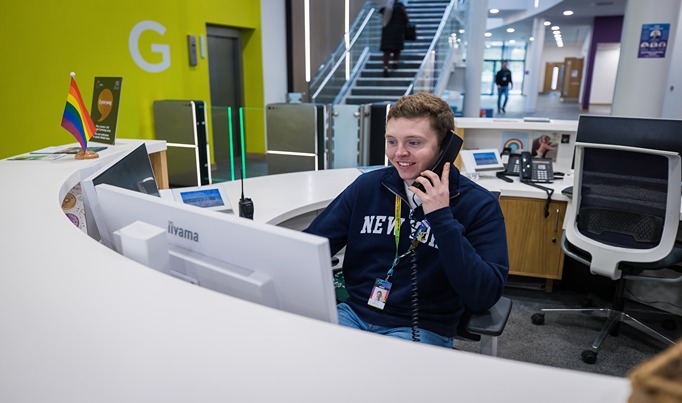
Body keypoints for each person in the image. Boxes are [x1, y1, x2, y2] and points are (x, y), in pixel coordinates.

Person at [304, 92, 509, 348]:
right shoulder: (368, 187)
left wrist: (441, 218)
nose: (399, 153)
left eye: (414, 143)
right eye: (392, 141)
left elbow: (484, 295)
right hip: (353, 314)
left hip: (422, 326)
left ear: (445, 146)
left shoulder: (478, 204)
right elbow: (309, 244)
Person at [379, 0, 409, 77]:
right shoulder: (400, 7)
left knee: (387, 51)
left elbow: (383, 18)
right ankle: (395, 63)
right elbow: (406, 18)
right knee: (397, 48)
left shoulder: (386, 8)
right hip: (397, 31)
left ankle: (385, 68)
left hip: (387, 31)